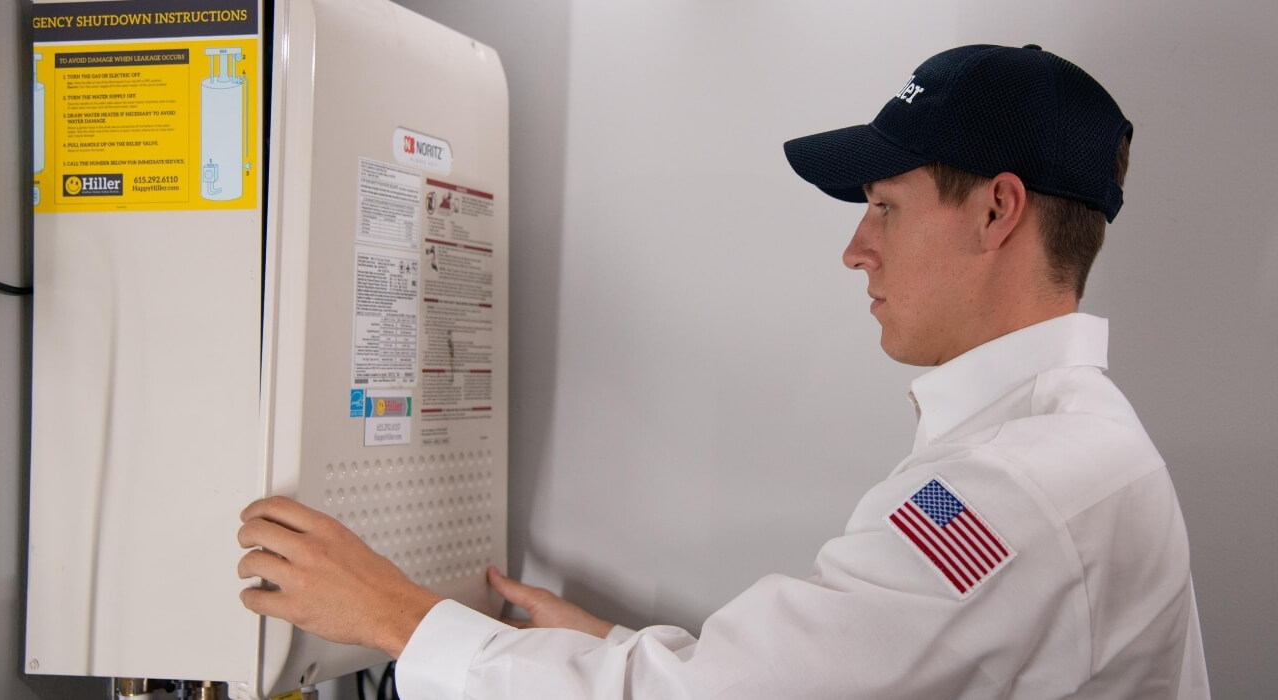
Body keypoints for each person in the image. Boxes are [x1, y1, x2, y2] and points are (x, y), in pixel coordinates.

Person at [238, 44, 1210, 699]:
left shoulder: (1013, 491)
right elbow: (823, 669)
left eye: (886, 207)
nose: (856, 249)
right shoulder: (1059, 445)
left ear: (998, 213)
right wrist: (604, 649)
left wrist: (403, 618)